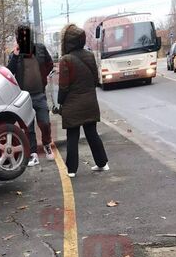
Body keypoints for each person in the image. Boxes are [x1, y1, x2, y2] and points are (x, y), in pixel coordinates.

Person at [58, 24, 109, 178]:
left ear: (67, 42)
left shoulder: (66, 60)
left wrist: (61, 102)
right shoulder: (90, 55)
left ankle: (72, 170)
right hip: (89, 102)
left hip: (72, 104)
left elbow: (64, 86)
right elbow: (95, 80)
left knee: (72, 136)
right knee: (92, 133)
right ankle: (102, 163)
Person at [7, 25, 55, 166]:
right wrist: (15, 57)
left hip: (39, 94)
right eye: (20, 37)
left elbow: (50, 64)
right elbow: (9, 72)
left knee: (44, 122)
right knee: (28, 127)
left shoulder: (40, 48)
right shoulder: (15, 54)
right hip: (24, 96)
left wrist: (42, 78)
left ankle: (47, 144)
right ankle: (33, 154)